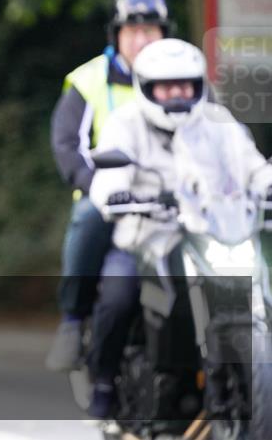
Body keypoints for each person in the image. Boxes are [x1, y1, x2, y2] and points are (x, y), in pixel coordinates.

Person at [86, 39, 272, 418]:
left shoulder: (218, 124)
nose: (177, 94)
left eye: (185, 85)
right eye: (166, 86)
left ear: (198, 86)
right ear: (147, 87)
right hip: (146, 240)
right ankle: (103, 383)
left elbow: (253, 167)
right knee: (117, 299)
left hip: (216, 236)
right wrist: (117, 195)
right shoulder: (126, 122)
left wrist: (266, 184)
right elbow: (108, 177)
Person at [45, 0, 170, 371]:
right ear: (117, 35)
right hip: (111, 200)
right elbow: (68, 145)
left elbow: (216, 135)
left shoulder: (185, 75)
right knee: (89, 218)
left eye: (150, 30)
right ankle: (73, 319)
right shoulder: (88, 80)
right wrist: (97, 186)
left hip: (175, 203)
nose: (142, 40)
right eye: (132, 31)